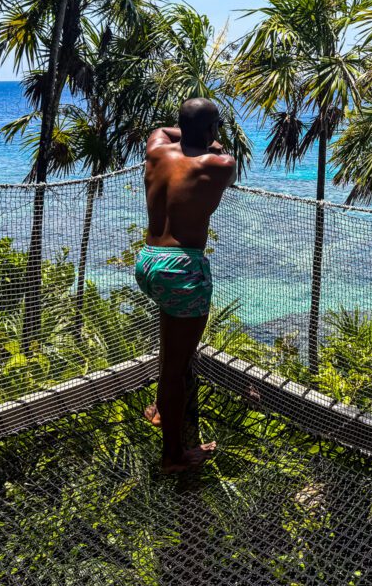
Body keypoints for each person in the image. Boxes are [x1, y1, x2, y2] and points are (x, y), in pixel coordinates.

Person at [136, 98, 237, 472]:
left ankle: (165, 408)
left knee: (171, 356)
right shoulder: (220, 163)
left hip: (148, 262)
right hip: (182, 268)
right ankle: (173, 456)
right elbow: (222, 153)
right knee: (176, 367)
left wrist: (196, 131)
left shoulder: (156, 148)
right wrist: (209, 140)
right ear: (212, 131)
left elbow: (167, 131)